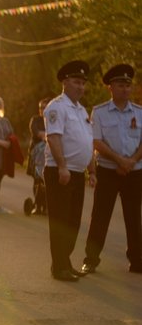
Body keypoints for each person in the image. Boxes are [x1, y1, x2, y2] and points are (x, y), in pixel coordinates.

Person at [81, 64, 142, 275]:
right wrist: (119, 160)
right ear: (110, 88)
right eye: (120, 85)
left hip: (134, 171)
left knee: (134, 216)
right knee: (100, 215)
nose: (125, 89)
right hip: (108, 170)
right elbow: (96, 141)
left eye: (127, 85)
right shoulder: (99, 112)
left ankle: (137, 260)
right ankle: (91, 259)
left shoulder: (140, 112)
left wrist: (132, 160)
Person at [44, 60, 96, 282]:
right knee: (60, 220)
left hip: (76, 172)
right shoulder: (56, 107)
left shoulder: (81, 109)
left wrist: (92, 170)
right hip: (60, 171)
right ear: (65, 82)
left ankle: (65, 262)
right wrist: (63, 167)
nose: (81, 87)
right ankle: (59, 267)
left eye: (83, 83)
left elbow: (88, 141)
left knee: (73, 221)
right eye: (76, 82)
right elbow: (54, 137)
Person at [27, 97, 51, 215]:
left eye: (45, 107)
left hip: (50, 155)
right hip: (36, 155)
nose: (43, 109)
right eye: (41, 107)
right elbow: (39, 133)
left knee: (48, 182)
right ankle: (37, 205)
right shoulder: (35, 120)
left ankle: (46, 206)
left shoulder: (53, 120)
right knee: (37, 180)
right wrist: (50, 137)